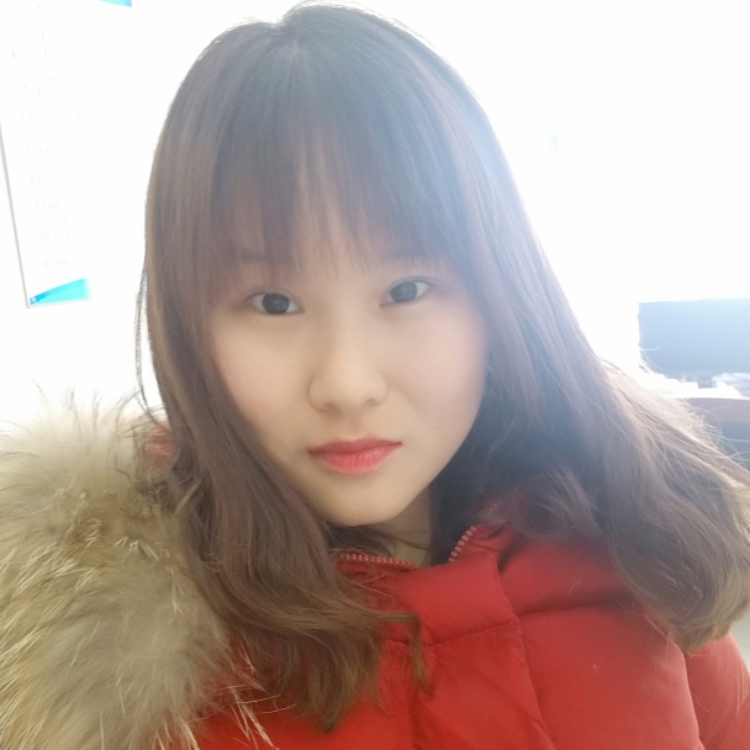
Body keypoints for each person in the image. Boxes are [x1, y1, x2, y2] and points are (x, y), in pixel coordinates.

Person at [1, 3, 749, 749]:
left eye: (407, 289)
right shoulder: (111, 678)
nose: (347, 384)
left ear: (499, 293)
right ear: (186, 323)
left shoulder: (639, 533)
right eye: (273, 303)